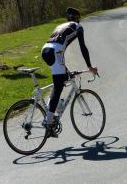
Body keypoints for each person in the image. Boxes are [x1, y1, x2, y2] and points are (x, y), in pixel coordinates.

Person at [41, 7, 97, 137]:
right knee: (59, 85)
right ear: (77, 18)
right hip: (56, 51)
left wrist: (66, 70)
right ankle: (48, 122)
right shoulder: (78, 26)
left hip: (45, 50)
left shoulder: (60, 25)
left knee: (61, 78)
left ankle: (51, 109)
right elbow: (83, 47)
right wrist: (89, 66)